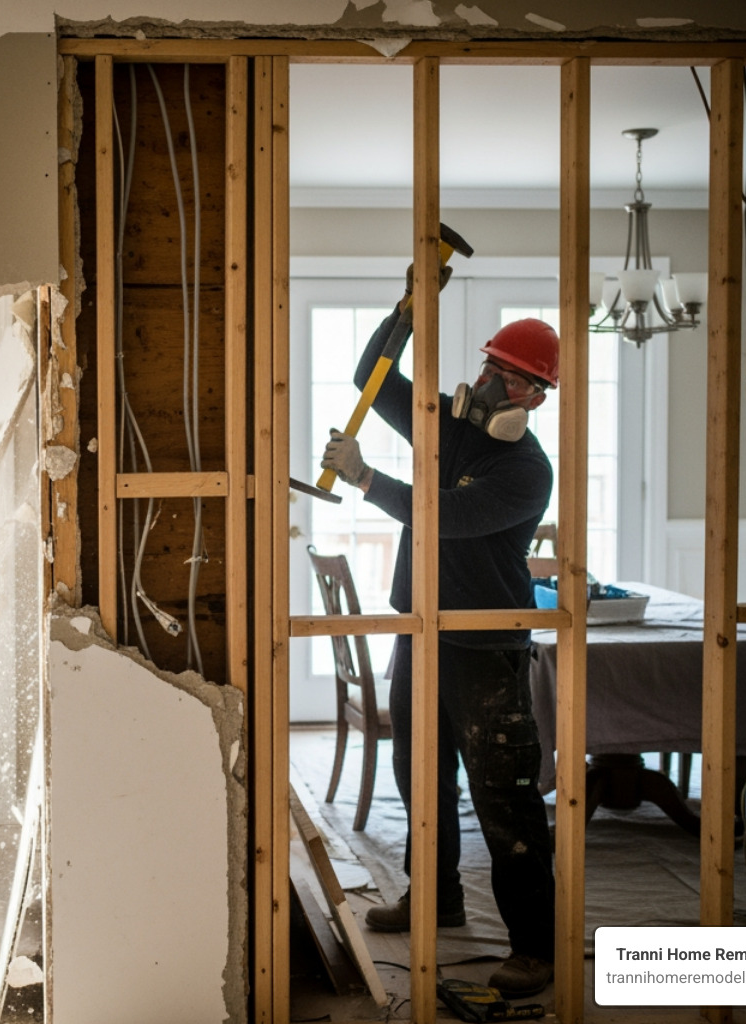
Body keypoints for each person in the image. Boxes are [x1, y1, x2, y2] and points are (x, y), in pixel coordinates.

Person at [320, 275, 560, 1000]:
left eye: (511, 380)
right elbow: (373, 377)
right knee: (418, 777)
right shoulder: (449, 428)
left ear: (535, 399)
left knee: (504, 797)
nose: (490, 384)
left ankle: (536, 947)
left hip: (487, 645)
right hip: (421, 631)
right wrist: (408, 309)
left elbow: (444, 518)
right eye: (491, 368)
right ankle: (438, 898)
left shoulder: (526, 470)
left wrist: (365, 480)